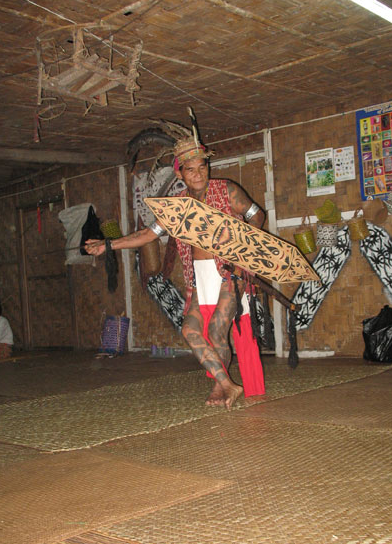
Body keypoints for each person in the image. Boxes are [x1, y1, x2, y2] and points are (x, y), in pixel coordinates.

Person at [86, 136, 266, 410]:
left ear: (208, 167)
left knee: (218, 331)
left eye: (202, 167)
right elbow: (148, 234)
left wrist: (244, 241)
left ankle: (222, 386)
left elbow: (257, 215)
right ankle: (228, 383)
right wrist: (108, 244)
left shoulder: (227, 190)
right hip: (200, 276)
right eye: (190, 169)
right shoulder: (178, 207)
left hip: (231, 271)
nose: (198, 174)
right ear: (180, 173)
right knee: (190, 330)